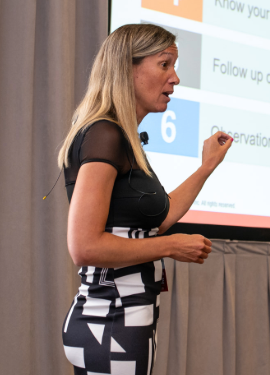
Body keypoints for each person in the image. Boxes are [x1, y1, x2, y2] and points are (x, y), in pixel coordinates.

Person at [58, 24, 233, 374]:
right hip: (110, 319)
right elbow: (85, 246)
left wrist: (205, 168)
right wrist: (169, 247)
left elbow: (161, 217)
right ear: (128, 68)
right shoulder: (105, 135)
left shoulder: (122, 137)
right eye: (165, 64)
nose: (176, 78)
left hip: (121, 319)